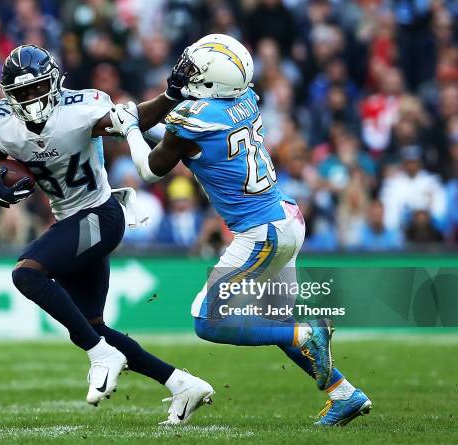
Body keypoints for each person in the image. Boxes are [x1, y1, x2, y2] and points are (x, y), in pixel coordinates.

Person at [112, 33, 371, 426]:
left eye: (195, 68)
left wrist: (131, 128)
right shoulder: (244, 99)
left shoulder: (193, 119)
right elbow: (185, 140)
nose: (187, 71)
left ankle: (308, 333)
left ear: (213, 80)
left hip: (259, 231)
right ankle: (344, 394)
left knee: (208, 319)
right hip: (285, 218)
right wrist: (149, 116)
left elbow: (151, 168)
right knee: (275, 323)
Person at [0, 44, 213, 424]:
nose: (29, 98)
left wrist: (171, 95)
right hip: (72, 222)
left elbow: (134, 121)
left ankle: (103, 355)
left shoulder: (81, 109)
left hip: (101, 214)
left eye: (36, 88)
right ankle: (183, 384)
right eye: (21, 92)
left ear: (55, 82)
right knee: (91, 328)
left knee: (26, 273)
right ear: (8, 95)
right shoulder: (2, 123)